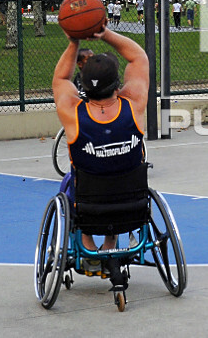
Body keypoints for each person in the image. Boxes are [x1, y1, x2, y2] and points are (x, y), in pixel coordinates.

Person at [52, 23, 149, 269]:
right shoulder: (134, 104)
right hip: (132, 207)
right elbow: (138, 57)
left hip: (89, 210)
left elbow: (60, 78)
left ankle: (87, 246)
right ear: (118, 85)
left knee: (69, 184)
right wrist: (104, 33)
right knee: (118, 178)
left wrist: (74, 41)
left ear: (82, 87)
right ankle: (111, 242)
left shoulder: (73, 113)